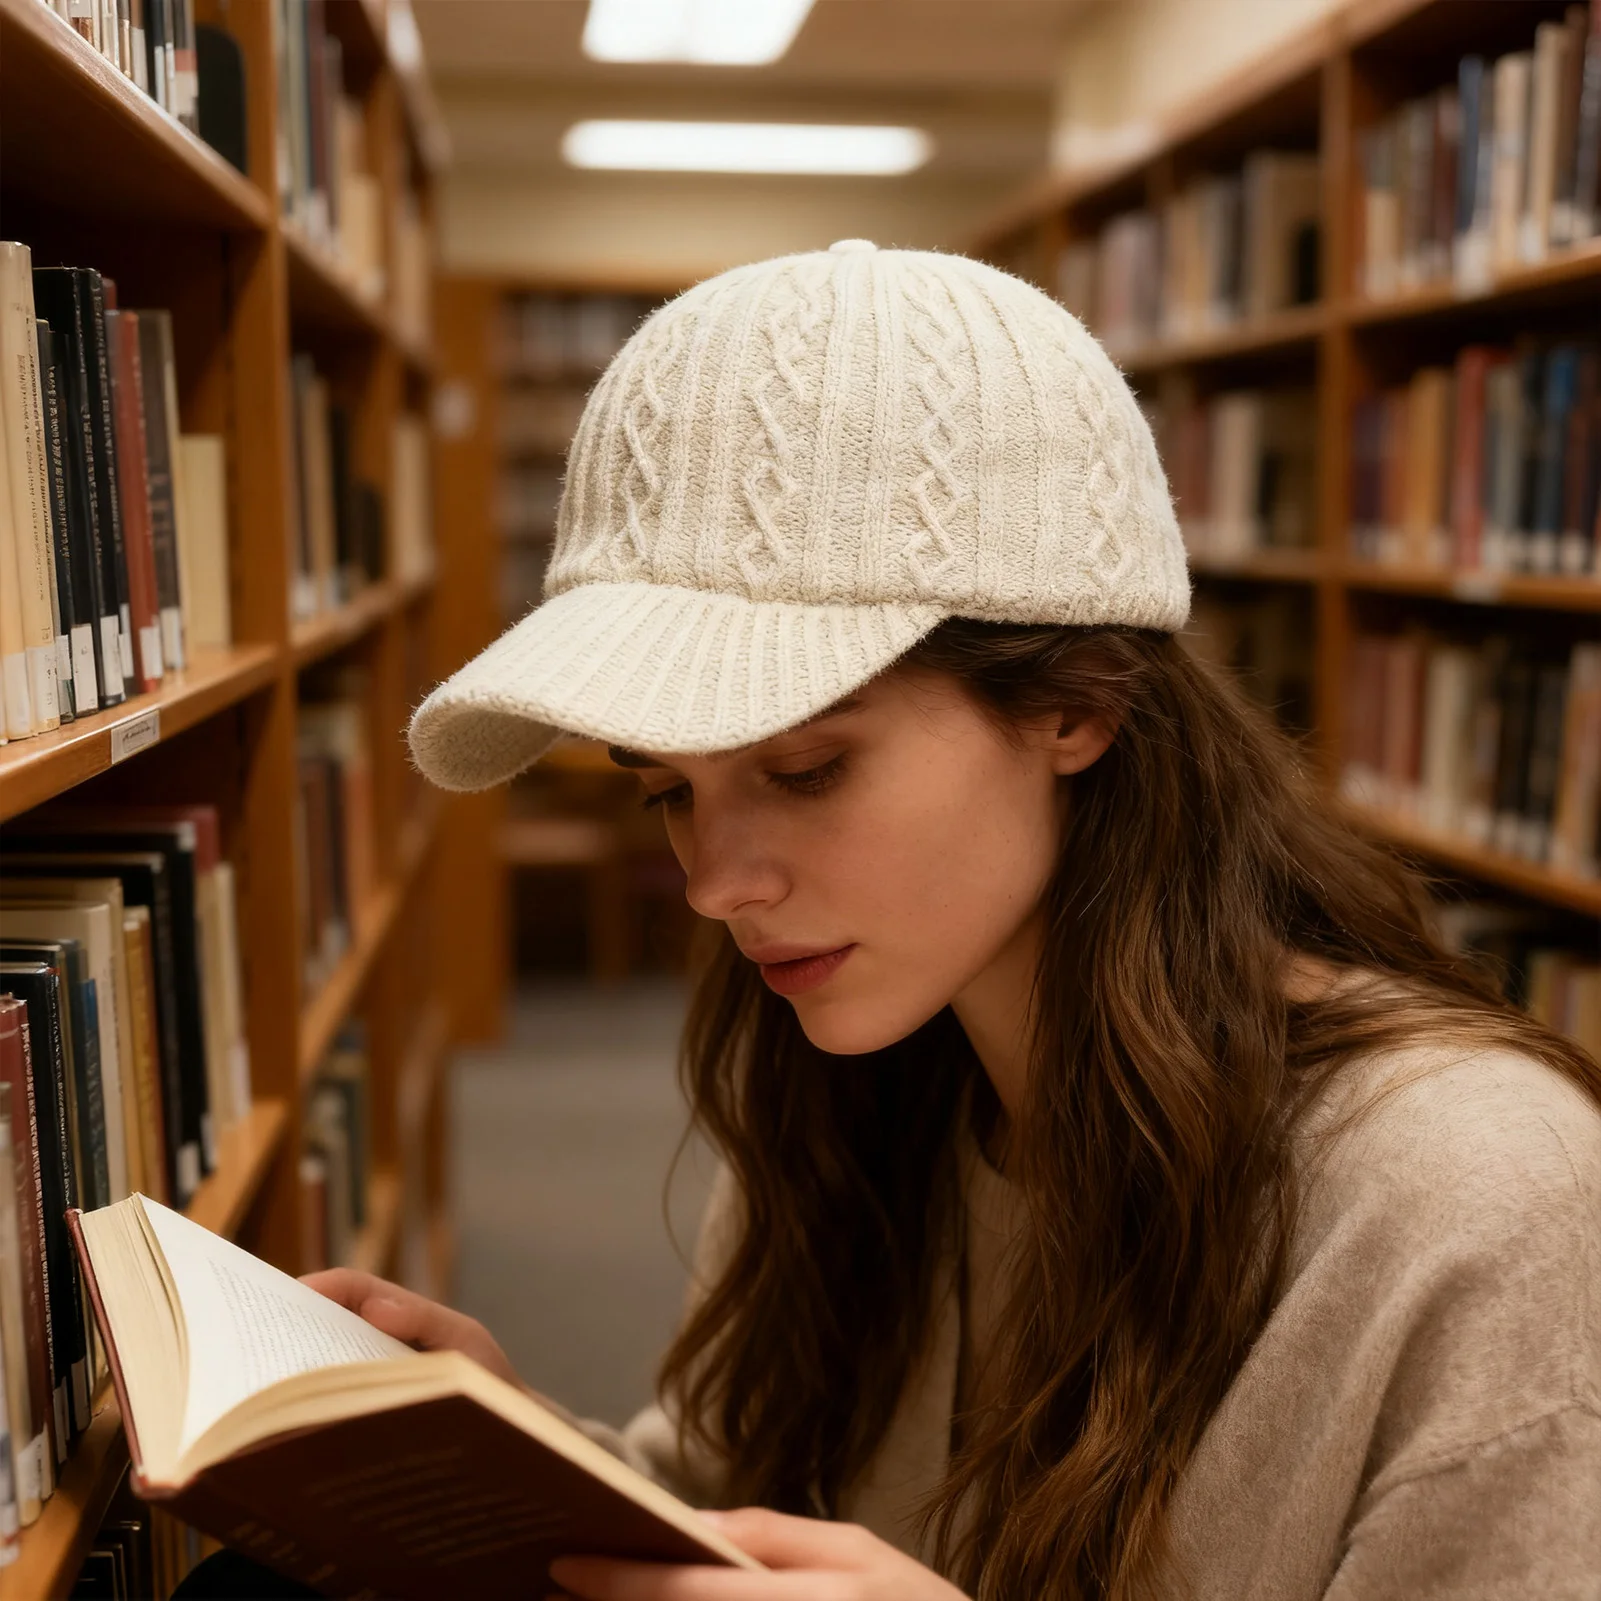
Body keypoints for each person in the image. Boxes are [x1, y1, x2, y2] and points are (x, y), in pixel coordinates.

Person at [182, 242, 1600, 1600]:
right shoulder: (854, 1075)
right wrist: (523, 1465)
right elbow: (746, 1505)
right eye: (666, 790)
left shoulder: (1482, 1210)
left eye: (805, 771)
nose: (714, 881)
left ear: (1076, 702)